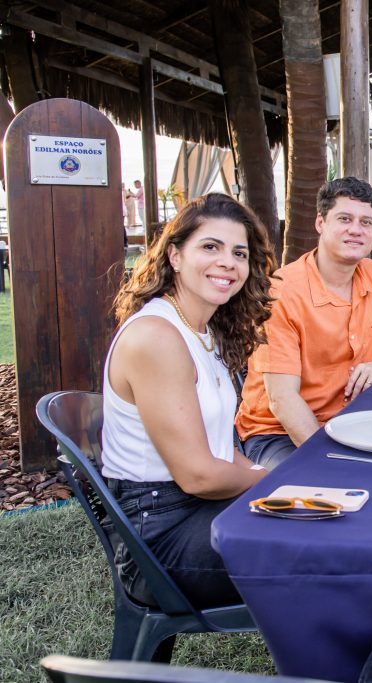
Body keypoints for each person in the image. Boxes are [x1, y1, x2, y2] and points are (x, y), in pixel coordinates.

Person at [102, 193, 276, 608]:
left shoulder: (205, 332)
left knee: (327, 520)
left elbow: (222, 451)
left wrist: (270, 477)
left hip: (197, 509)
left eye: (239, 253)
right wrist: (276, 481)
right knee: (326, 551)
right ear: (175, 256)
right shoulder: (157, 337)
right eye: (210, 247)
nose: (228, 263)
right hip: (160, 540)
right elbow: (199, 475)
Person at [235, 177, 372, 468]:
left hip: (355, 419)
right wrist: (330, 464)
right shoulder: (282, 293)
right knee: (324, 490)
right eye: (344, 218)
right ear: (320, 223)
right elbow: (282, 400)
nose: (356, 229)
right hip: (279, 433)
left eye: (366, 222)